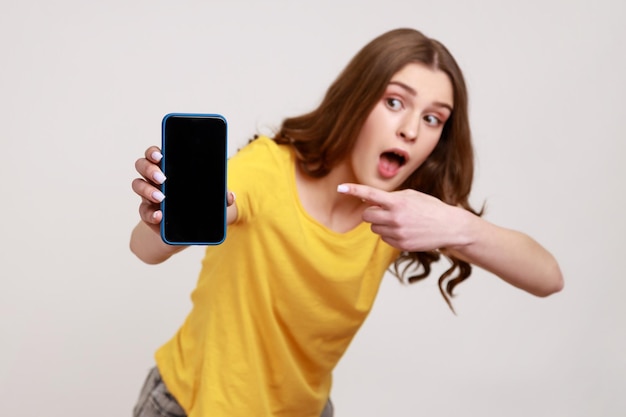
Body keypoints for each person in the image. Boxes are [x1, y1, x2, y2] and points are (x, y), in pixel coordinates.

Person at [130, 28, 563, 417]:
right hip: (188, 404)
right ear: (357, 99)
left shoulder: (403, 214)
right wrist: (162, 222)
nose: (411, 130)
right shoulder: (266, 169)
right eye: (395, 102)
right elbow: (145, 249)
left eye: (433, 118)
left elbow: (548, 277)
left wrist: (458, 225)